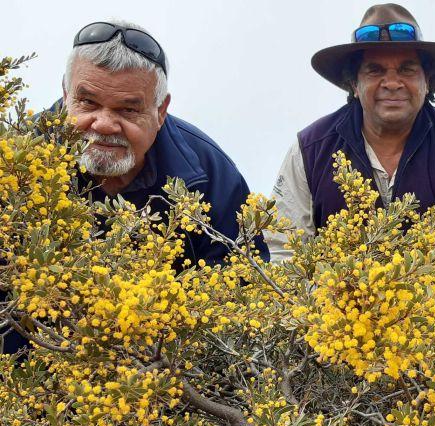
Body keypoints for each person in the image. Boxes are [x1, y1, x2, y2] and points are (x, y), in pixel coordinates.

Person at [3, 20, 268, 354]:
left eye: (127, 109)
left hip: (160, 382)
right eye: (87, 103)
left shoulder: (208, 175)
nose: (103, 124)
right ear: (66, 95)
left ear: (160, 111)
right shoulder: (16, 160)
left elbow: (243, 290)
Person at [266, 3, 435, 262]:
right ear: (354, 84)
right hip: (327, 299)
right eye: (375, 70)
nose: (392, 83)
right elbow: (282, 249)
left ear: (427, 82)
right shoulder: (310, 149)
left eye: (407, 69)